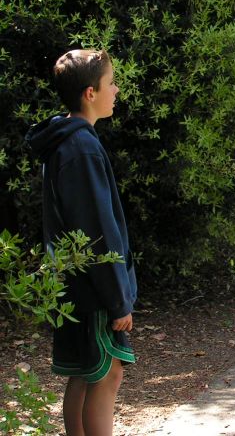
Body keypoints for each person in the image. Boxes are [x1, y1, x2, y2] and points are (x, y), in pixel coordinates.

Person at [25, 49, 137, 435]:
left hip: (73, 284)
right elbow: (96, 229)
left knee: (84, 374)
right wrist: (118, 298)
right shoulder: (82, 147)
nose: (116, 90)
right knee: (107, 375)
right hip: (93, 289)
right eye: (111, 83)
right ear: (90, 93)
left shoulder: (64, 139)